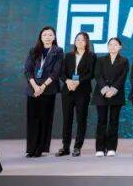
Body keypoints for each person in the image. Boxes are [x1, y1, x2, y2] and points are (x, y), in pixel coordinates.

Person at [22, 26, 64, 158]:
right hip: (33, 90)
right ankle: (31, 148)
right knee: (32, 120)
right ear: (40, 37)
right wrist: (35, 86)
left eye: (50, 35)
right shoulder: (33, 51)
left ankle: (40, 148)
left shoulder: (58, 51)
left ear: (54, 37)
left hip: (48, 90)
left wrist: (43, 86)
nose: (47, 37)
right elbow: (27, 70)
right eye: (45, 35)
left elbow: (56, 71)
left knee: (45, 119)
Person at [59, 31, 95, 157]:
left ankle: (77, 147)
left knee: (81, 119)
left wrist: (78, 81)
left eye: (82, 40)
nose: (79, 42)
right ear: (74, 42)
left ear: (86, 42)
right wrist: (68, 81)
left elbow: (91, 74)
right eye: (77, 39)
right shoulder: (68, 56)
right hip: (68, 90)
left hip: (82, 91)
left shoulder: (91, 56)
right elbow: (61, 73)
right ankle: (65, 147)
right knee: (67, 119)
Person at [93, 37, 128, 157]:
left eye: (115, 45)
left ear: (120, 47)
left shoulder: (124, 61)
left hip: (116, 94)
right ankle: (100, 148)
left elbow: (122, 77)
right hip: (101, 94)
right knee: (101, 121)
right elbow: (97, 75)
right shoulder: (101, 60)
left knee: (114, 121)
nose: (113, 47)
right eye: (110, 44)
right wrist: (105, 89)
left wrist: (113, 90)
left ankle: (111, 147)